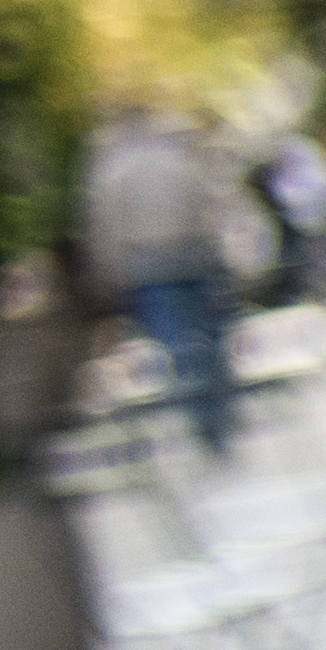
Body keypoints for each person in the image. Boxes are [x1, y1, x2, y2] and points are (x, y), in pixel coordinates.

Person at [79, 99, 237, 457]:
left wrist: (109, 269)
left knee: (175, 348)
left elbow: (104, 224)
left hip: (149, 269)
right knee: (209, 341)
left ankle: (201, 426)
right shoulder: (179, 158)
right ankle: (221, 418)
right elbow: (207, 204)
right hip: (194, 258)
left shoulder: (111, 168)